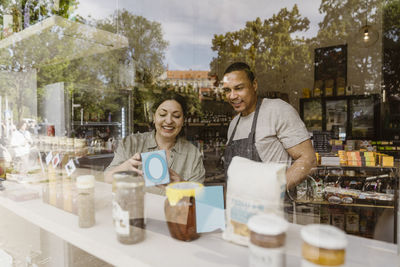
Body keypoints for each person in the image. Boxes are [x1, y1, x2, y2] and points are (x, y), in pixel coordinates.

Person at [222, 62, 316, 189]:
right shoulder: (234, 124)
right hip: (240, 205)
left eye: (239, 88)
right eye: (228, 90)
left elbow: (308, 160)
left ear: (254, 85)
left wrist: (274, 191)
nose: (232, 96)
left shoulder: (277, 110)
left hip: (273, 205)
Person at [105, 91, 205, 195]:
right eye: (163, 114)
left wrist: (183, 185)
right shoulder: (131, 143)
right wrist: (125, 168)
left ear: (183, 120)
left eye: (176, 116)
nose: (169, 120)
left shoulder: (193, 155)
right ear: (154, 117)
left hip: (175, 210)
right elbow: (104, 180)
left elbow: (200, 201)